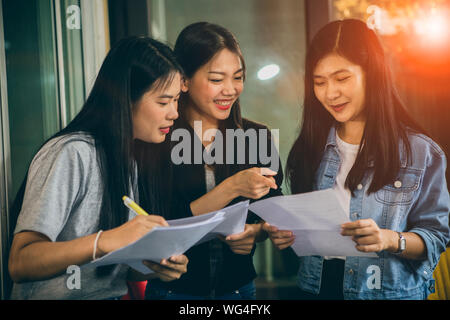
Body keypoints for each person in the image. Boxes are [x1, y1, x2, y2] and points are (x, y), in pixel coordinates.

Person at [265, 19, 450, 300]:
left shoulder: (421, 152)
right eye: (319, 82)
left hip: (386, 292)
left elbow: (436, 236)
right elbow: (306, 227)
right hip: (315, 288)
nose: (330, 93)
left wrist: (390, 239)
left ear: (372, 74)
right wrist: (287, 236)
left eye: (342, 78)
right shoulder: (312, 146)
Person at [8, 36, 189, 300]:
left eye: (176, 101)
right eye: (163, 102)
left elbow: (111, 271)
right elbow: (21, 262)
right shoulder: (72, 152)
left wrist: (155, 266)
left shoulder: (126, 158)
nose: (174, 113)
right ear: (125, 99)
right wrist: (104, 240)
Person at [140, 22, 283, 300]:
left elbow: (274, 211)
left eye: (238, 77)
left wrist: (257, 232)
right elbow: (160, 223)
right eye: (217, 80)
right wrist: (231, 188)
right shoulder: (157, 138)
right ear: (184, 79)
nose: (230, 90)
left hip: (239, 291)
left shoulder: (256, 136)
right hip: (173, 292)